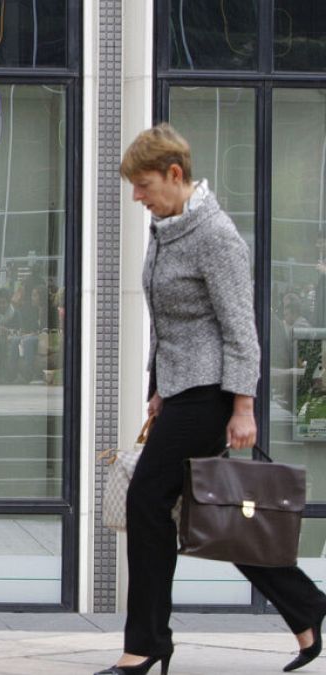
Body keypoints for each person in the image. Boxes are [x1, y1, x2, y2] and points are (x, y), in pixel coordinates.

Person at [103, 123, 326, 675]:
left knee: (148, 502)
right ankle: (308, 609)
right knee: (217, 511)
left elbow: (239, 329)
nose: (138, 196)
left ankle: (147, 643)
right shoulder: (167, 225)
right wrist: (157, 389)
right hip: (180, 390)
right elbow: (165, 318)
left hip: (210, 394)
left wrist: (243, 407)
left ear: (175, 175)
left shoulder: (216, 236)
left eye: (144, 185)